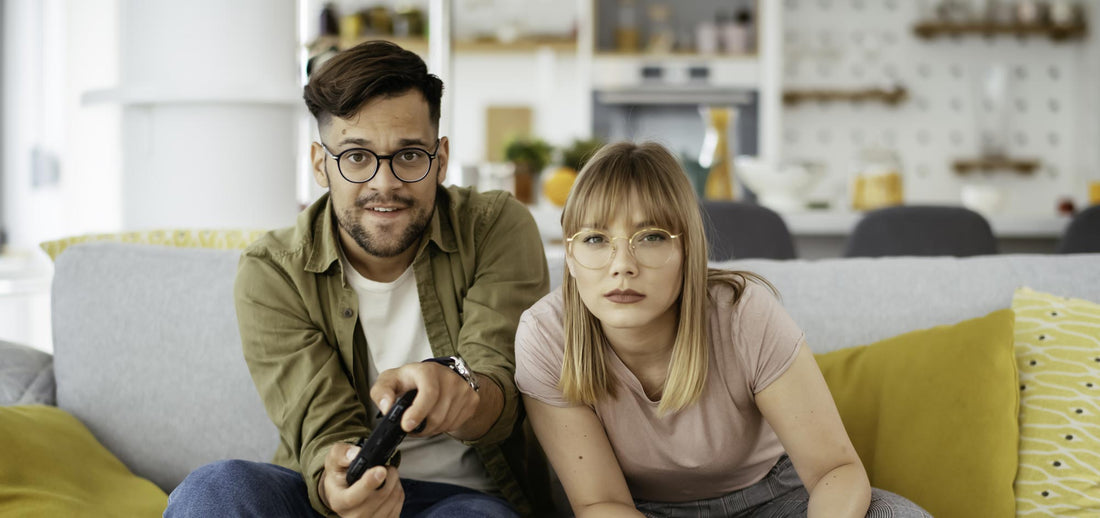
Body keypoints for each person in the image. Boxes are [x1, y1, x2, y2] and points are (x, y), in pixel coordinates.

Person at [165, 40, 550, 518]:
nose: (384, 184)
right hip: (323, 497)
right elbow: (321, 422)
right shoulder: (273, 270)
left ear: (442, 158)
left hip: (463, 499)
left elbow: (502, 391)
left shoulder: (496, 227)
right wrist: (337, 487)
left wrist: (461, 394)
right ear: (320, 164)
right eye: (356, 157)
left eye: (409, 155)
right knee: (215, 489)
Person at [514, 141, 931, 518]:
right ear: (568, 256)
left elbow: (834, 470)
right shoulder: (546, 336)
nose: (622, 264)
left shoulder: (744, 314)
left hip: (776, 499)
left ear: (687, 250)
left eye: (651, 236)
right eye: (595, 239)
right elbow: (601, 503)